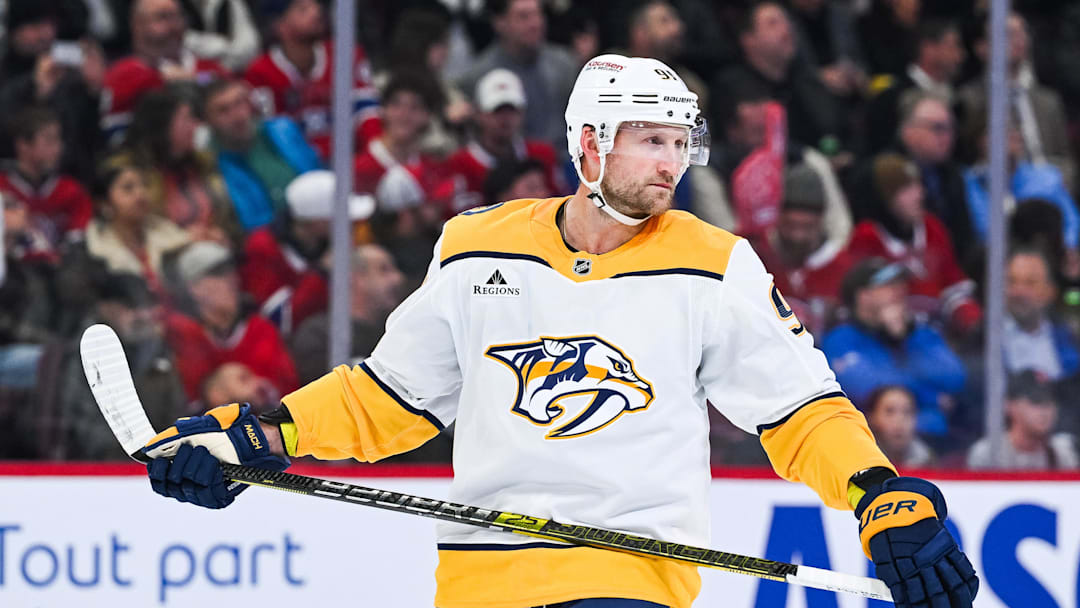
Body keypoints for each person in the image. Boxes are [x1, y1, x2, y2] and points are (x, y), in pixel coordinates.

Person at [141, 55, 978, 608]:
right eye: (649, 141)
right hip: (477, 581)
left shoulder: (715, 264)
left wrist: (879, 495)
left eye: (678, 144)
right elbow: (386, 398)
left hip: (626, 576)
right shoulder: (476, 244)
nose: (668, 164)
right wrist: (252, 434)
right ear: (587, 145)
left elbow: (801, 412)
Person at [822, 258, 968, 437]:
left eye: (900, 284)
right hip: (869, 442)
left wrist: (903, 339)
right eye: (888, 285)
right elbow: (866, 390)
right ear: (863, 296)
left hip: (933, 442)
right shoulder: (840, 339)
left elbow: (955, 376)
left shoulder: (919, 334)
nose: (899, 291)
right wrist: (931, 396)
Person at [847, 153, 981, 334]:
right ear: (885, 197)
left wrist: (971, 319)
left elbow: (953, 285)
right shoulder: (866, 237)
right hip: (887, 341)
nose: (920, 194)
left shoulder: (933, 228)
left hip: (934, 338)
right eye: (906, 189)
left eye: (918, 185)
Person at [240, 170, 374, 335]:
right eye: (342, 216)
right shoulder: (263, 248)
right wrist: (322, 272)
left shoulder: (332, 239)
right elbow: (280, 321)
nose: (352, 223)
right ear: (316, 222)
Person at [243, 0, 380, 160]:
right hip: (298, 170)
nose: (316, 12)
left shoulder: (346, 54)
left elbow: (367, 114)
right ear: (280, 25)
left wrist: (372, 158)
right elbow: (272, 136)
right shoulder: (260, 72)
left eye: (316, 6)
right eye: (303, 9)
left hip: (353, 162)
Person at [164, 240, 298, 401]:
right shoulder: (183, 336)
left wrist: (265, 394)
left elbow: (291, 392)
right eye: (219, 273)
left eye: (232, 270)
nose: (232, 279)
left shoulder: (261, 329)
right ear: (194, 288)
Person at [958, 12, 1074, 191]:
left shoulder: (1049, 101)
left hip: (1053, 194)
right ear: (983, 47)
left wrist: (1058, 182)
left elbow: (1065, 158)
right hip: (999, 195)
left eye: (1023, 32)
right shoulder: (969, 99)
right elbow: (970, 162)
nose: (1020, 39)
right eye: (1008, 34)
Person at [455, 0, 578, 152]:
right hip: (511, 165)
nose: (536, 24)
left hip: (567, 161)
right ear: (499, 23)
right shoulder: (479, 76)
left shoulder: (564, 64)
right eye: (524, 17)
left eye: (538, 14)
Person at [712, 2, 839, 150]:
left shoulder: (807, 81)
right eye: (773, 24)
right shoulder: (732, 88)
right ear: (748, 40)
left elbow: (833, 132)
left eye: (787, 21)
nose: (786, 29)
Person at [120, 87, 239, 244]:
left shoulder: (204, 163)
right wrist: (185, 238)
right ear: (163, 127)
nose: (195, 125)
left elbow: (228, 217)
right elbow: (136, 233)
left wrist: (222, 234)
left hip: (216, 248)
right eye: (186, 119)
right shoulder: (133, 176)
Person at [202, 78, 322, 232]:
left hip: (317, 219)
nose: (237, 116)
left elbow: (316, 172)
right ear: (208, 120)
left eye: (239, 103)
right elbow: (246, 221)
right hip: (266, 238)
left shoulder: (283, 130)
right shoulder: (211, 163)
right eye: (223, 110)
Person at [100, 0, 228, 142]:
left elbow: (227, 87)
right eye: (162, 17)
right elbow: (112, 132)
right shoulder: (122, 76)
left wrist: (193, 79)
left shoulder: (209, 66)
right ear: (137, 25)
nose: (173, 26)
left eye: (177, 16)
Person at [750, 164, 853, 336]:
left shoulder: (841, 267)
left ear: (821, 221)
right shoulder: (753, 254)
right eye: (790, 226)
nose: (797, 236)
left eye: (807, 227)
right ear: (777, 217)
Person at [445, 68, 563, 212]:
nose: (505, 118)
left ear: (522, 113)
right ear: (479, 114)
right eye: (497, 110)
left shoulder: (543, 154)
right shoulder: (458, 164)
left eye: (511, 109)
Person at [290, 243, 405, 384]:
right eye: (384, 270)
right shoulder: (319, 334)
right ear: (355, 278)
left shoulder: (397, 333)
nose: (398, 278)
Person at [864, 20, 965, 155]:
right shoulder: (891, 97)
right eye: (952, 47)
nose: (960, 55)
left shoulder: (958, 100)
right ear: (928, 49)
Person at [0, 107, 93, 248]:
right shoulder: (2, 187)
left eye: (58, 140)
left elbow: (79, 241)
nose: (58, 148)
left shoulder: (71, 191)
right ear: (23, 145)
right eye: (49, 140)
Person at [967, 371, 1080, 470]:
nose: (1045, 410)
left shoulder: (1064, 452)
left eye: (1050, 401)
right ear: (1009, 405)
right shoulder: (988, 453)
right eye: (1036, 401)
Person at [1004, 248, 1080, 381]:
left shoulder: (1069, 341)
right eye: (1012, 281)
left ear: (1050, 292)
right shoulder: (983, 339)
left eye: (1030, 283)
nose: (1019, 291)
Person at [863, 385, 935, 468]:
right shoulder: (859, 459)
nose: (899, 420)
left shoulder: (927, 460)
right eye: (889, 411)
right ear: (872, 417)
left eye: (907, 412)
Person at [179, 0, 261, 72]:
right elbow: (182, 41)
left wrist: (222, 68)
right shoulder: (177, 4)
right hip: (189, 75)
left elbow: (250, 50)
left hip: (231, 74)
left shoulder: (230, 3)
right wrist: (224, 44)